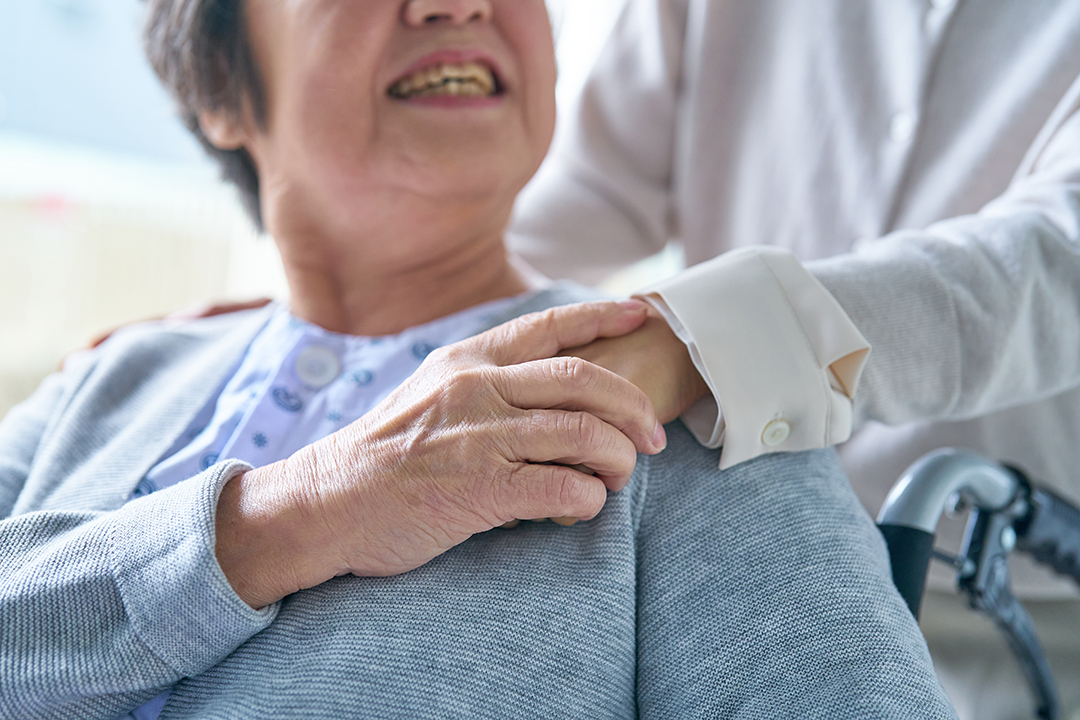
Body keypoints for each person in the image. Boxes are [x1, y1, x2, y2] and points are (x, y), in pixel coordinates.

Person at [0, 1, 955, 718]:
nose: (454, 3)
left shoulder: (676, 398)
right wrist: (293, 515)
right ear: (219, 89)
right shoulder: (110, 380)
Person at [507, 1, 1080, 716]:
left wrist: (700, 346)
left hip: (1025, 599)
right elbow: (586, 196)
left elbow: (1053, 261)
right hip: (732, 545)